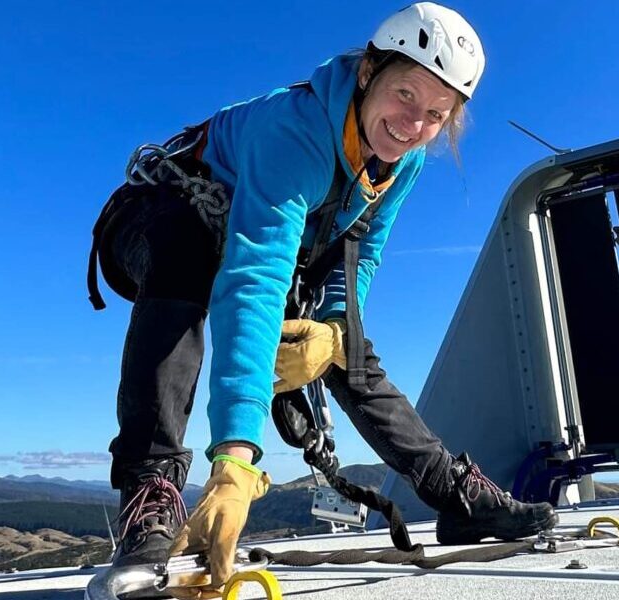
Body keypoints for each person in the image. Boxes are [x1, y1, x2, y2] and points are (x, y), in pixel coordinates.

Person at [86, 3, 555, 594]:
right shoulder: (297, 132)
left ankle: (451, 493)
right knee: (186, 261)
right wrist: (235, 460)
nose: (413, 124)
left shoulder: (399, 162)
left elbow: (363, 253)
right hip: (161, 220)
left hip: (257, 238)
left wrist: (333, 333)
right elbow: (253, 280)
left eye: (436, 114)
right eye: (405, 94)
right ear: (367, 74)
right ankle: (151, 493)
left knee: (350, 347)